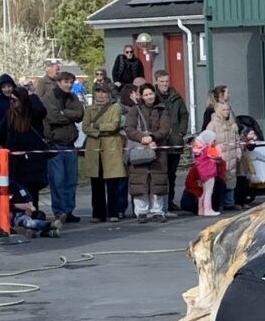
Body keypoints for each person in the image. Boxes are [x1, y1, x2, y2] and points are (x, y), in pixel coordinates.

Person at [43, 69, 85, 224]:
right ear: (58, 82)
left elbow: (80, 115)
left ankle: (69, 210)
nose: (68, 85)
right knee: (57, 180)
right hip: (55, 144)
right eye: (66, 82)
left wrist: (63, 112)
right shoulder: (48, 98)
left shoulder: (73, 97)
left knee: (71, 180)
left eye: (70, 82)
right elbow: (52, 116)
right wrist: (68, 115)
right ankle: (59, 211)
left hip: (70, 144)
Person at [126, 82, 172, 221]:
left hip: (158, 150)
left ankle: (157, 211)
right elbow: (129, 128)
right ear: (142, 96)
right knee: (140, 182)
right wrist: (143, 139)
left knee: (157, 182)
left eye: (151, 94)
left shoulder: (162, 110)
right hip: (140, 148)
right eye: (146, 94)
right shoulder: (135, 110)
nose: (149, 97)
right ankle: (141, 211)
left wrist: (153, 138)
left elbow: (165, 129)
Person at [0, 86, 49, 210]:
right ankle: (21, 217)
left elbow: (41, 111)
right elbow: (0, 132)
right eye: (11, 100)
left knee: (32, 191)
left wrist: (32, 96)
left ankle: (34, 213)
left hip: (32, 161)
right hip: (16, 162)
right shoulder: (10, 114)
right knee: (18, 191)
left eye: (15, 100)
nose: (12, 103)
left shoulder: (32, 114)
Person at [83, 84, 128, 223]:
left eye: (103, 92)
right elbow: (85, 127)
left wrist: (96, 126)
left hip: (111, 146)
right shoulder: (90, 109)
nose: (101, 95)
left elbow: (114, 125)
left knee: (112, 182)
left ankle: (113, 212)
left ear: (108, 94)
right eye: (98, 92)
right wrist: (98, 132)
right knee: (96, 183)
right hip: (94, 146)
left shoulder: (115, 108)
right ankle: (98, 213)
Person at [154, 70, 191, 210]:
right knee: (159, 175)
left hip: (174, 141)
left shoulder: (176, 97)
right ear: (157, 81)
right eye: (162, 81)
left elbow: (184, 115)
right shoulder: (153, 96)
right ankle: (160, 203)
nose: (165, 84)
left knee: (171, 174)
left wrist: (181, 132)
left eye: (167, 81)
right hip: (159, 142)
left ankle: (170, 201)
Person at [203, 88, 241, 208]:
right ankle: (217, 203)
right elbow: (207, 142)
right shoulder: (212, 124)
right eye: (224, 110)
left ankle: (229, 202)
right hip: (220, 158)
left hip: (232, 156)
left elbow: (237, 141)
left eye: (228, 110)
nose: (226, 112)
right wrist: (214, 156)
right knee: (220, 180)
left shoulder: (233, 125)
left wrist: (238, 152)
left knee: (231, 178)